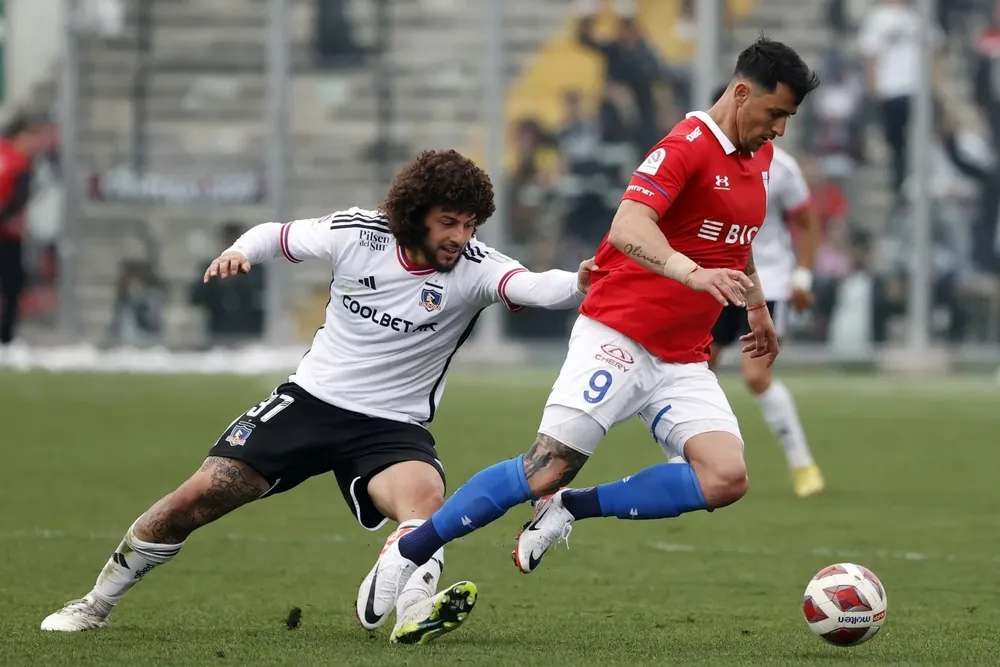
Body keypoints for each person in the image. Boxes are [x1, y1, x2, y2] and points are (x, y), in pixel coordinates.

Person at [40, 150, 596, 644]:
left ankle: (413, 610)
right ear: (413, 215)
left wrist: (579, 281)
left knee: (424, 501)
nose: (460, 235)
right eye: (448, 221)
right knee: (193, 499)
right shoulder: (358, 234)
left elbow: (534, 285)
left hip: (391, 426)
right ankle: (95, 603)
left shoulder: (476, 268)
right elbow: (272, 235)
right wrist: (240, 252)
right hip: (309, 404)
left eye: (470, 224)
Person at [354, 37, 819, 618]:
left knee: (725, 478)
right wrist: (690, 273)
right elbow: (629, 226)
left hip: (681, 356)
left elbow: (737, 237)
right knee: (543, 467)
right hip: (618, 335)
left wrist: (756, 308)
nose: (779, 130)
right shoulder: (685, 147)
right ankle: (410, 550)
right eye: (776, 114)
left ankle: (571, 508)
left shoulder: (761, 158)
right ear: (743, 92)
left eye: (788, 119)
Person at [705, 85, 824, 498]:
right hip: (714, 279)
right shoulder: (702, 157)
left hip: (766, 281)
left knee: (756, 376)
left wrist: (802, 277)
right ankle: (689, 463)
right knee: (696, 372)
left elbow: (807, 221)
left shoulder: (780, 165)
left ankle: (802, 463)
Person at [0, 112, 42, 358]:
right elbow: (18, 198)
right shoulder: (18, 161)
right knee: (13, 284)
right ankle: (5, 337)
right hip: (8, 233)